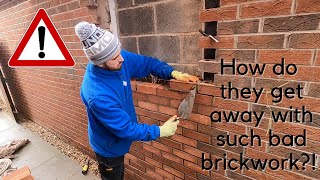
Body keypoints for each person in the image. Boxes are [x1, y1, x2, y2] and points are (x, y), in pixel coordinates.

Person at [75, 22, 199, 180]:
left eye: (119, 52)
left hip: (118, 137)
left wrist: (172, 73)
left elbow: (147, 63)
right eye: (115, 57)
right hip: (108, 148)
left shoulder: (116, 58)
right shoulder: (97, 94)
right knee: (114, 175)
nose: (121, 59)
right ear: (100, 63)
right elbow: (126, 128)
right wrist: (160, 131)